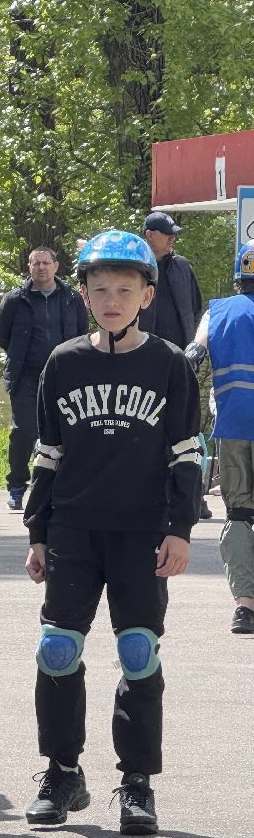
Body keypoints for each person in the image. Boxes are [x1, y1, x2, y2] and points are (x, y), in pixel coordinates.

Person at [22, 230, 200, 836]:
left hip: (142, 531)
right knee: (57, 649)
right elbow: (46, 452)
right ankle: (62, 771)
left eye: (126, 289)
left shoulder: (170, 364)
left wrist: (180, 528)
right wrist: (37, 531)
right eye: (101, 290)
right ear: (84, 295)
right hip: (74, 526)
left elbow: (185, 452)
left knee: (138, 652)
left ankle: (137, 783)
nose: (113, 299)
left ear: (148, 295)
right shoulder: (64, 362)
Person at [187, 241, 254, 634]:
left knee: (241, 514)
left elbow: (192, 354)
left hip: (233, 430)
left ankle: (245, 605)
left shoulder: (218, 312)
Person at [0, 247, 90, 511]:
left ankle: (58, 487)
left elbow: (83, 333)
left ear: (56, 266)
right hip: (26, 376)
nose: (41, 268)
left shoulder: (71, 298)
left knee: (65, 433)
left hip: (65, 376)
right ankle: (16, 487)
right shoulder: (16, 299)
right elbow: (3, 335)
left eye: (46, 263)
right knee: (24, 433)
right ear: (29, 267)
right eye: (36, 263)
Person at [139, 212, 202, 348]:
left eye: (174, 233)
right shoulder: (134, 268)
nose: (172, 237)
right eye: (167, 233)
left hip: (180, 356)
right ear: (150, 235)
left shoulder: (182, 266)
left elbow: (196, 310)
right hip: (142, 356)